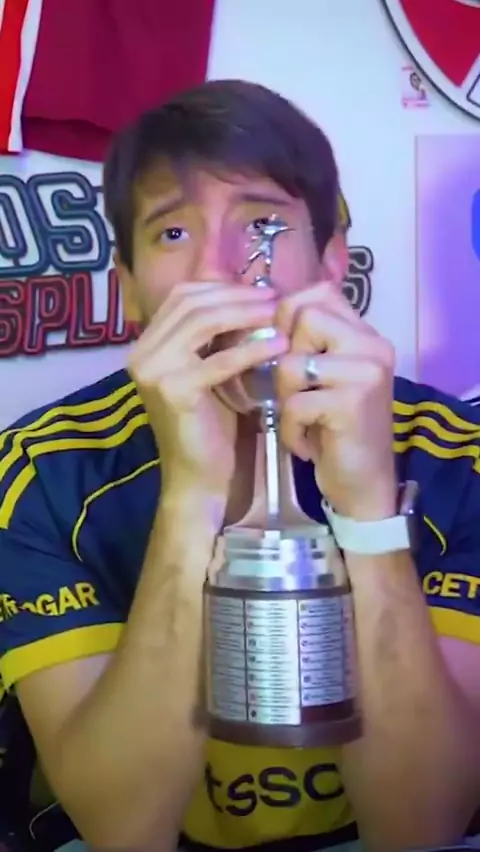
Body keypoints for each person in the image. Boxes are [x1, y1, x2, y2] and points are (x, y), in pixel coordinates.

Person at [0, 79, 479, 852]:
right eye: (173, 232)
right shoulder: (43, 470)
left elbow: (423, 826)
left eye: (262, 223)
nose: (222, 270)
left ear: (331, 261)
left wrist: (367, 512)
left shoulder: (460, 456)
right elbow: (123, 831)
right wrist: (190, 497)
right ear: (129, 290)